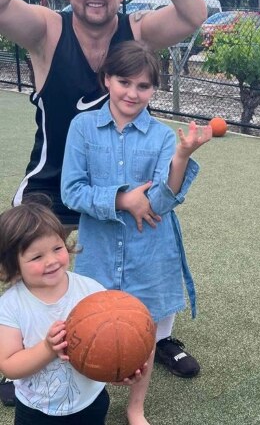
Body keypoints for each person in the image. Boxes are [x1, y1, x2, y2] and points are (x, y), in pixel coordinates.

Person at [0, 0, 208, 381]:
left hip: (124, 180)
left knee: (148, 237)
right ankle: (21, 353)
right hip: (52, 187)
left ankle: (155, 333)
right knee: (27, 267)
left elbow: (194, 13)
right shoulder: (48, 31)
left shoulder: (137, 31)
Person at [60, 41, 211, 425]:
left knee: (141, 332)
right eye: (124, 81)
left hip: (149, 252)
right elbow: (71, 190)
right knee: (88, 326)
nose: (132, 92)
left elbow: (161, 201)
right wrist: (123, 199)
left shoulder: (162, 137)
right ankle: (87, 400)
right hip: (98, 250)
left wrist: (181, 156)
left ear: (154, 90)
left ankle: (135, 408)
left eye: (143, 86)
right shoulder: (82, 127)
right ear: (106, 79)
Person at [0, 201, 144, 424]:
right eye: (37, 257)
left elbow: (110, 345)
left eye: (57, 248)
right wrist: (48, 348)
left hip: (90, 402)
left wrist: (118, 370)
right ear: (14, 264)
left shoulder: (91, 291)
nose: (52, 261)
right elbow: (9, 365)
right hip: (36, 410)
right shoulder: (11, 305)